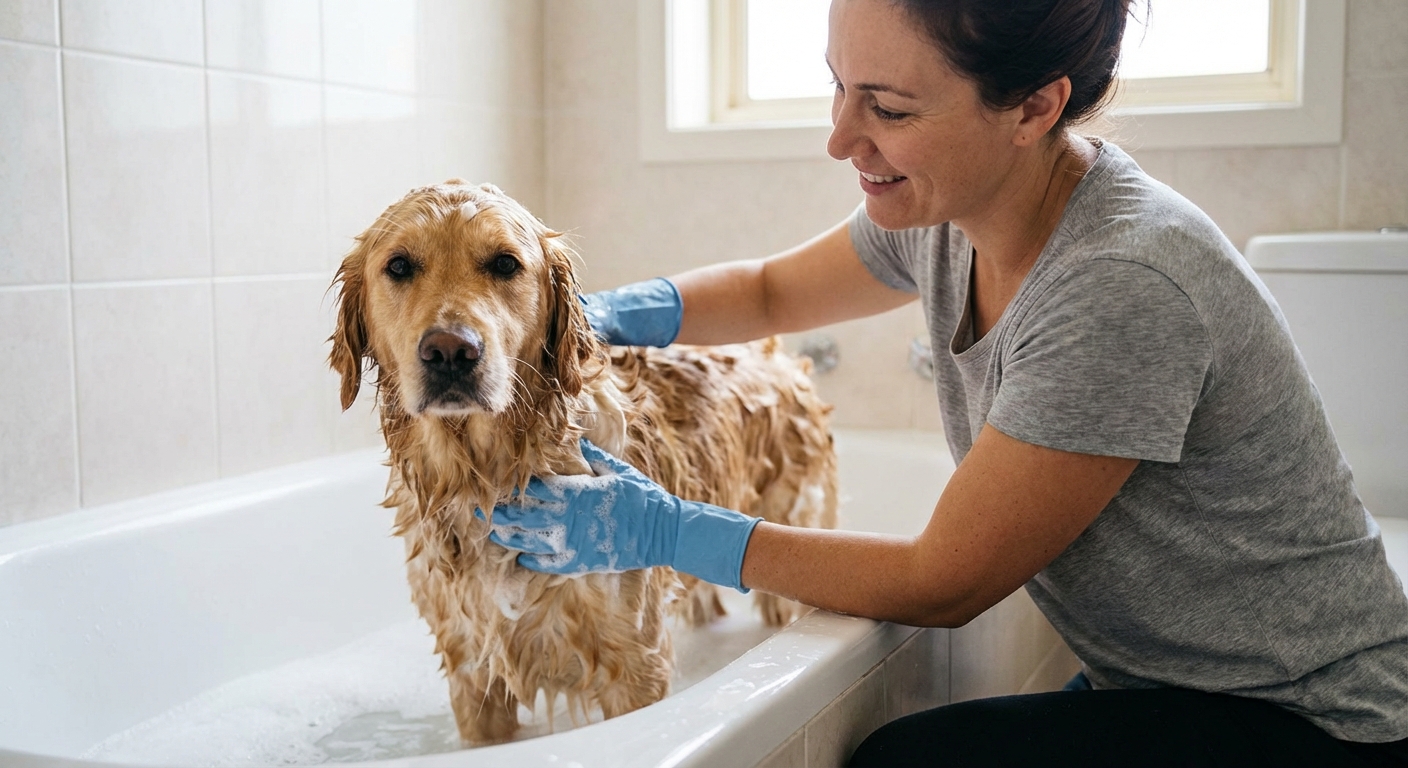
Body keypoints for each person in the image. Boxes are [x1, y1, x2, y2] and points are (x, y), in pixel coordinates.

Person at [485, 0, 1408, 764]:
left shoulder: (1122, 282)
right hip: (1172, 682)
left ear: (1034, 108)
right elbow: (770, 290)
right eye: (838, 87)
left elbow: (941, 584)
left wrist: (667, 530)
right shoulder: (942, 213)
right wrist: (599, 312)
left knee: (906, 765)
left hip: (1318, 722)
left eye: (887, 108)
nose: (841, 137)